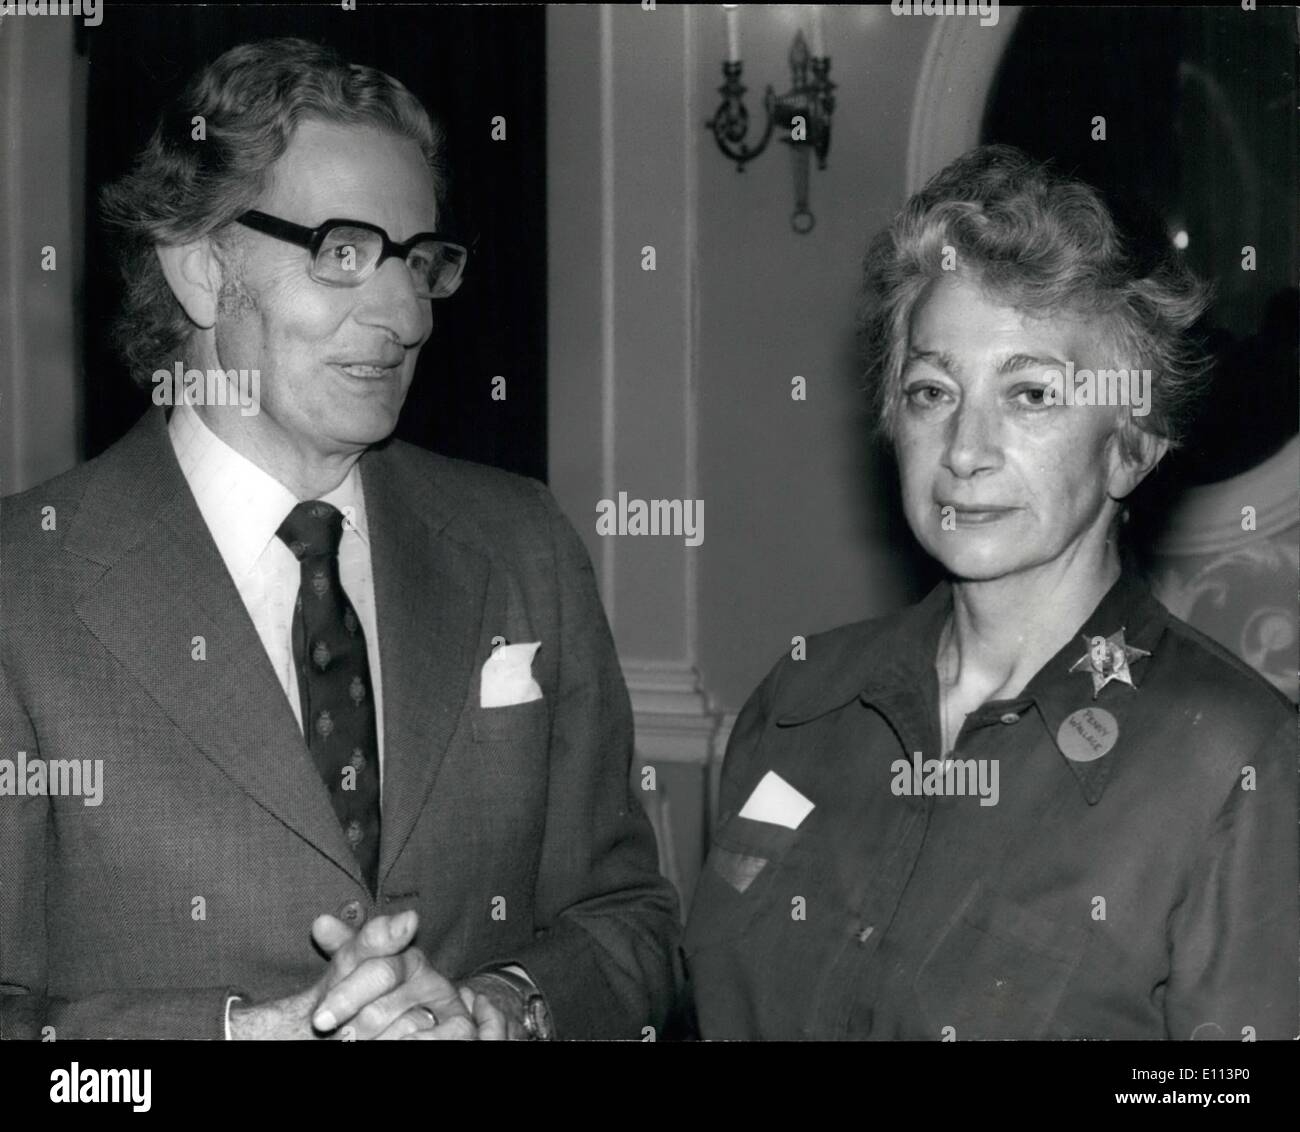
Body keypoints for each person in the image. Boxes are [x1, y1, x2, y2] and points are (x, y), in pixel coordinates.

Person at [0, 38, 678, 1040]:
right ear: (199, 271)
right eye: (345, 252)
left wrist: (507, 1010)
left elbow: (631, 924)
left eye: (419, 263)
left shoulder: (522, 543)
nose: (404, 313)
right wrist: (226, 1036)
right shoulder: (24, 584)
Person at [682, 145, 1298, 1040]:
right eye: (933, 390)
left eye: (1032, 394)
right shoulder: (800, 703)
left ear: (1132, 445)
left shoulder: (1235, 764)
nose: (966, 448)